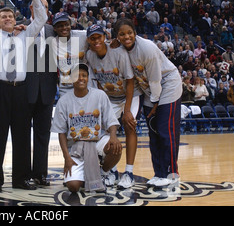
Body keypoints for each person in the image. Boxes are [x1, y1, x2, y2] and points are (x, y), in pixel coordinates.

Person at [0, 0, 47, 192]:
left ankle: (21, 178)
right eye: (4, 17)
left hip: (20, 88)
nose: (7, 19)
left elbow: (41, 19)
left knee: (22, 135)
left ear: (16, 19)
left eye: (10, 16)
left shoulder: (24, 36)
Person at [114, 18, 182, 187]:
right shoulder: (119, 49)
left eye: (129, 33)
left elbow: (155, 80)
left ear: (135, 33)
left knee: (166, 131)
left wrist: (155, 105)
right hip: (149, 90)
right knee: (154, 133)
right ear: (117, 37)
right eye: (122, 34)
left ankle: (172, 173)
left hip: (166, 85)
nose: (126, 36)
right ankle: (159, 173)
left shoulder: (147, 49)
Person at [85, 24, 142, 189]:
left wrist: (128, 110)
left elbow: (130, 82)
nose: (96, 41)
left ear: (105, 37)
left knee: (129, 125)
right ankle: (112, 171)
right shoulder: (90, 55)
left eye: (99, 37)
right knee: (106, 131)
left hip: (129, 95)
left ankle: (129, 173)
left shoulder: (119, 53)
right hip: (110, 97)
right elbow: (98, 81)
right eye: (92, 38)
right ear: (88, 40)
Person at [51, 63, 121, 193]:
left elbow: (111, 120)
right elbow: (61, 133)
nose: (81, 78)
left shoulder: (99, 95)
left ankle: (102, 172)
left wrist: (113, 137)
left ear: (88, 78)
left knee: (116, 147)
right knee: (73, 186)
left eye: (84, 75)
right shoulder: (64, 101)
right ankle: (86, 171)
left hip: (97, 142)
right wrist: (67, 158)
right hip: (76, 147)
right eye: (77, 76)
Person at [25, 0, 58, 186]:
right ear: (31, 8)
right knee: (22, 136)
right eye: (39, 7)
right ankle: (23, 174)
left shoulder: (53, 31)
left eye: (45, 7)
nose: (42, 10)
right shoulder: (19, 28)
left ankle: (41, 173)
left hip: (46, 90)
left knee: (42, 135)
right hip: (24, 90)